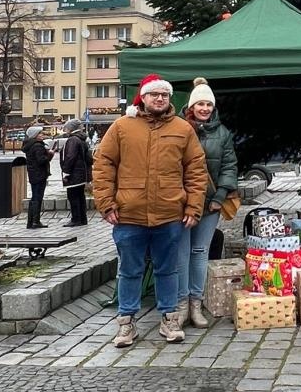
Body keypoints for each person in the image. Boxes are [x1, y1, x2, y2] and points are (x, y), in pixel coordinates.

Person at [93, 74, 209, 348]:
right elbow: (103, 165)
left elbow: (196, 170)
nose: (160, 99)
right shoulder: (122, 127)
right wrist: (106, 203)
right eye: (154, 94)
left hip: (169, 214)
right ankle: (126, 323)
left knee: (168, 270)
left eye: (164, 95)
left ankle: (170, 319)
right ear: (143, 97)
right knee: (129, 270)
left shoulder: (183, 129)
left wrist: (193, 206)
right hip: (128, 215)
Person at [176, 78, 238, 330]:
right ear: (192, 105)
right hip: (181, 203)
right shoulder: (179, 128)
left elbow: (229, 166)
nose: (204, 108)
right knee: (181, 254)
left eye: (208, 104)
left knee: (200, 252)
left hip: (210, 203)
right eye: (200, 103)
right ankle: (180, 305)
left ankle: (195, 303)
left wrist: (220, 196)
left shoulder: (222, 134)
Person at [60, 119, 92, 227]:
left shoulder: (73, 140)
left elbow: (70, 157)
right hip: (81, 174)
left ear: (71, 128)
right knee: (80, 196)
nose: (65, 130)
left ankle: (76, 219)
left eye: (66, 127)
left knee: (73, 196)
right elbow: (89, 159)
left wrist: (66, 172)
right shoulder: (82, 139)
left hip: (74, 174)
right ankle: (83, 219)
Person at [21, 125, 54, 229]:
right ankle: (35, 221)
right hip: (39, 174)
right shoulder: (37, 146)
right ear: (35, 135)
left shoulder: (30, 145)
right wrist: (50, 155)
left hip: (33, 174)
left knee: (35, 196)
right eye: (40, 134)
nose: (42, 135)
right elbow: (41, 160)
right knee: (37, 197)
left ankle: (31, 222)